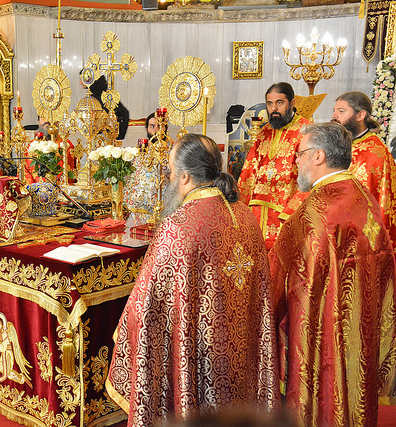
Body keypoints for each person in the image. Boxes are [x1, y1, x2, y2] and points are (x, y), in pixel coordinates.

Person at [106, 134, 279, 426]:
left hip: (202, 359)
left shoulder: (179, 226)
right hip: (241, 352)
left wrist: (124, 331)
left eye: (172, 172)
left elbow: (145, 306)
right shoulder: (245, 215)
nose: (170, 178)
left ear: (185, 176)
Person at [270, 122, 396, 426]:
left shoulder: (315, 211)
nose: (295, 161)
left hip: (324, 340)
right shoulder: (364, 197)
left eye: (301, 153)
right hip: (361, 336)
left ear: (319, 156)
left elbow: (279, 280)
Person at [237, 82, 311, 250]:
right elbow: (249, 171)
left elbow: (310, 177)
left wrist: (292, 211)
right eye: (269, 104)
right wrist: (239, 209)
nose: (274, 109)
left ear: (292, 103)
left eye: (279, 103)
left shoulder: (306, 131)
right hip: (257, 211)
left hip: (286, 213)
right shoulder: (264, 132)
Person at [331, 91, 396, 252]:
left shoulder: (376, 154)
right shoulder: (337, 144)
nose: (334, 116)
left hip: (359, 239)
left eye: (341, 111)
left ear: (360, 115)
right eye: (334, 110)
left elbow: (383, 205)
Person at [123, 112, 169, 225]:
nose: (156, 130)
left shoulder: (172, 149)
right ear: (147, 128)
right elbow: (134, 177)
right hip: (138, 206)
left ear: (165, 128)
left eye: (159, 126)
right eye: (152, 126)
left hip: (163, 204)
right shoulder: (142, 150)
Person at [88, 74, 130, 140]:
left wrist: (118, 135)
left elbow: (124, 113)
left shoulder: (101, 96)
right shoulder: (98, 94)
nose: (80, 82)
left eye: (82, 79)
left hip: (104, 137)